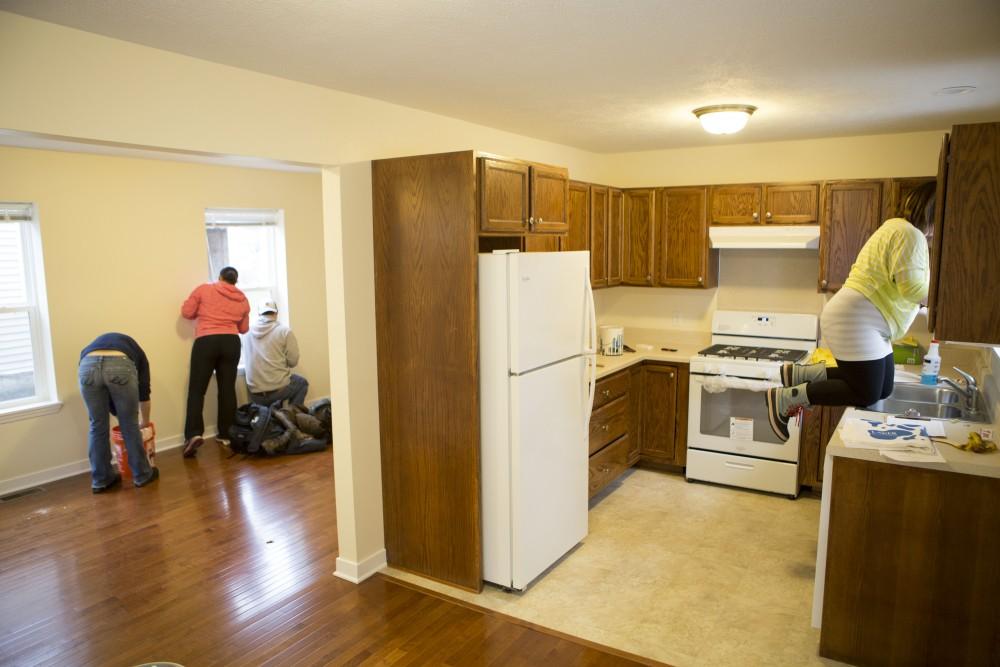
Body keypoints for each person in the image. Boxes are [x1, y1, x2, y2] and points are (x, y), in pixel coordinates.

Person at [766, 182, 936, 442]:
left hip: (865, 318)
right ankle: (785, 398)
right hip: (857, 319)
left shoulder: (899, 228)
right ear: (934, 211)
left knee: (883, 387)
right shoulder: (909, 234)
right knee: (866, 392)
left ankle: (801, 375)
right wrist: (942, 299)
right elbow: (912, 288)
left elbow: (902, 289)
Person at [181, 266, 250, 457]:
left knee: (197, 390)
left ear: (220, 277)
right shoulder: (242, 298)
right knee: (227, 388)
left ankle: (193, 434)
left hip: (207, 341)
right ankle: (227, 433)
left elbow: (187, 312)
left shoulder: (204, 289)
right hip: (231, 342)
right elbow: (244, 328)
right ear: (235, 281)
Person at [79, 333, 158, 491]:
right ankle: (142, 474)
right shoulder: (139, 356)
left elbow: (107, 400)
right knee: (129, 425)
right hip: (119, 363)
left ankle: (101, 480)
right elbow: (144, 394)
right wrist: (145, 421)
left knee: (96, 425)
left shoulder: (94, 345)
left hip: (86, 364)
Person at [243, 300, 309, 407]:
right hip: (278, 392)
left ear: (259, 314)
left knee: (281, 384)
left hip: (255, 394)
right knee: (302, 383)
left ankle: (272, 415)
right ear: (276, 313)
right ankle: (291, 417)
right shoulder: (284, 331)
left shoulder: (246, 331)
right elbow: (293, 362)